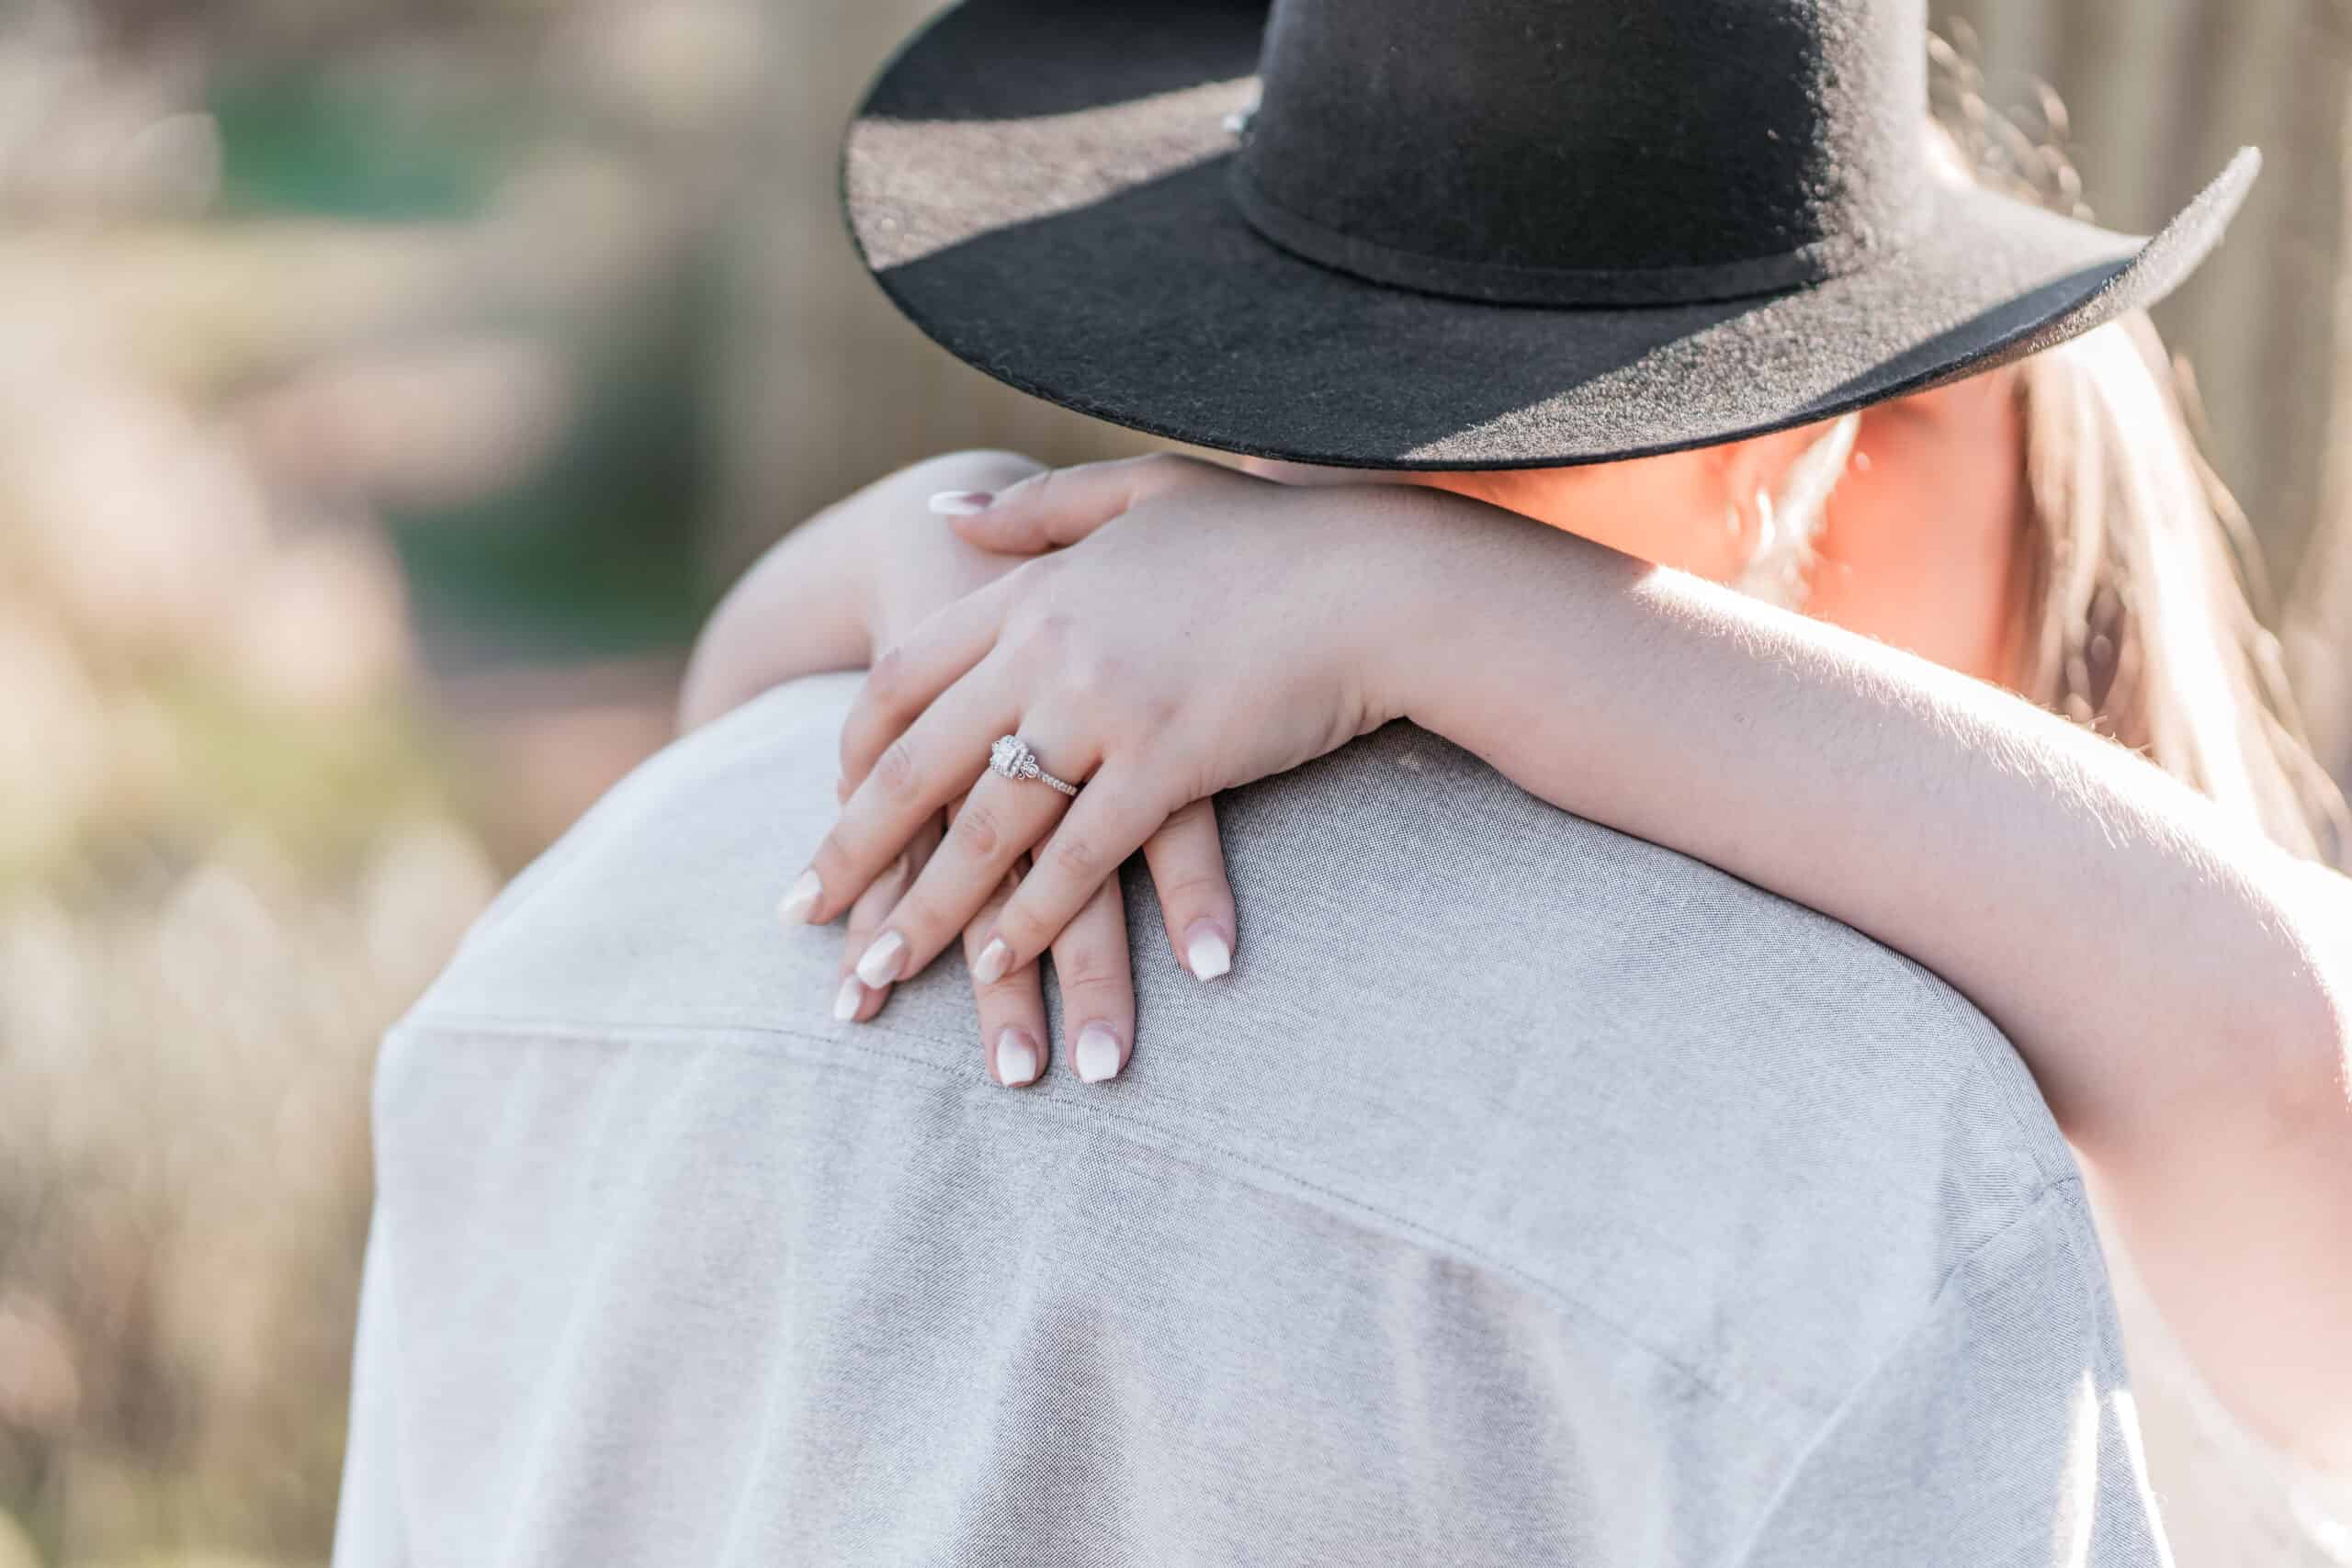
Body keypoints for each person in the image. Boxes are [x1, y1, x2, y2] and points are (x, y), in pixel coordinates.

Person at [334, 0, 2340, 1561]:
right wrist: (1438, 609)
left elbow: (724, 755)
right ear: (1809, 450)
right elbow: (2287, 1055)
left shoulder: (579, 926)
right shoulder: (1889, 1139)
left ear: (1230, 303)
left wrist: (958, 541)